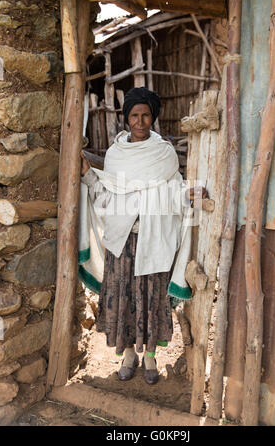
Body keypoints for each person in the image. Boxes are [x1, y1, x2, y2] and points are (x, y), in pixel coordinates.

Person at [80, 87, 205, 385]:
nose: (140, 121)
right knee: (125, 298)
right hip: (123, 243)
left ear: (153, 117)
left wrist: (188, 194)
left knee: (151, 298)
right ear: (126, 118)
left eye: (145, 114)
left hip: (153, 241)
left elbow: (173, 191)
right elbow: (105, 195)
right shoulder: (116, 155)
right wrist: (87, 175)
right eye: (134, 115)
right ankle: (128, 356)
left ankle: (150, 357)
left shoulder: (163, 154)